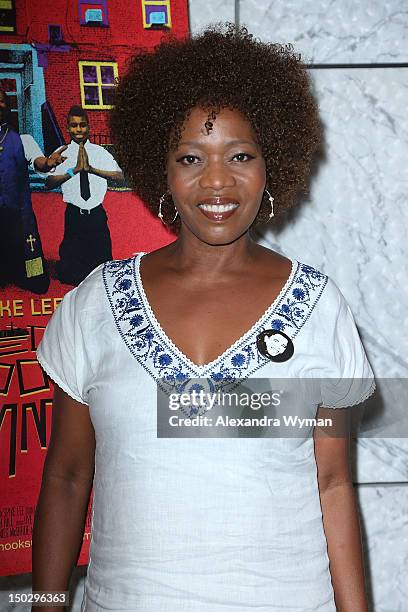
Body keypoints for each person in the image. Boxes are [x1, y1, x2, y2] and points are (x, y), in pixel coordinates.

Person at [33, 25, 376, 611]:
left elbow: (334, 483)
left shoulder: (319, 306)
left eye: (240, 156)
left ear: (273, 163)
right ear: (159, 168)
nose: (216, 181)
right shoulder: (94, 304)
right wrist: (44, 606)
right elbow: (66, 478)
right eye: (191, 157)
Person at [44, 105, 124, 286]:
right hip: (74, 215)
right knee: (71, 273)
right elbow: (48, 183)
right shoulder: (61, 153)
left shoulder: (99, 152)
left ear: (89, 127)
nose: (78, 129)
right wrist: (73, 171)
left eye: (82, 125)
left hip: (96, 214)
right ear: (67, 128)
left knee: (102, 269)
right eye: (73, 125)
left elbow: (120, 176)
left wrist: (92, 170)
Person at [0, 89, 50, 294]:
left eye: (1, 101)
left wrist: (48, 163)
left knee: (35, 274)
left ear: (9, 106)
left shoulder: (24, 139)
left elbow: (40, 163)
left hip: (19, 214)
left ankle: (31, 275)